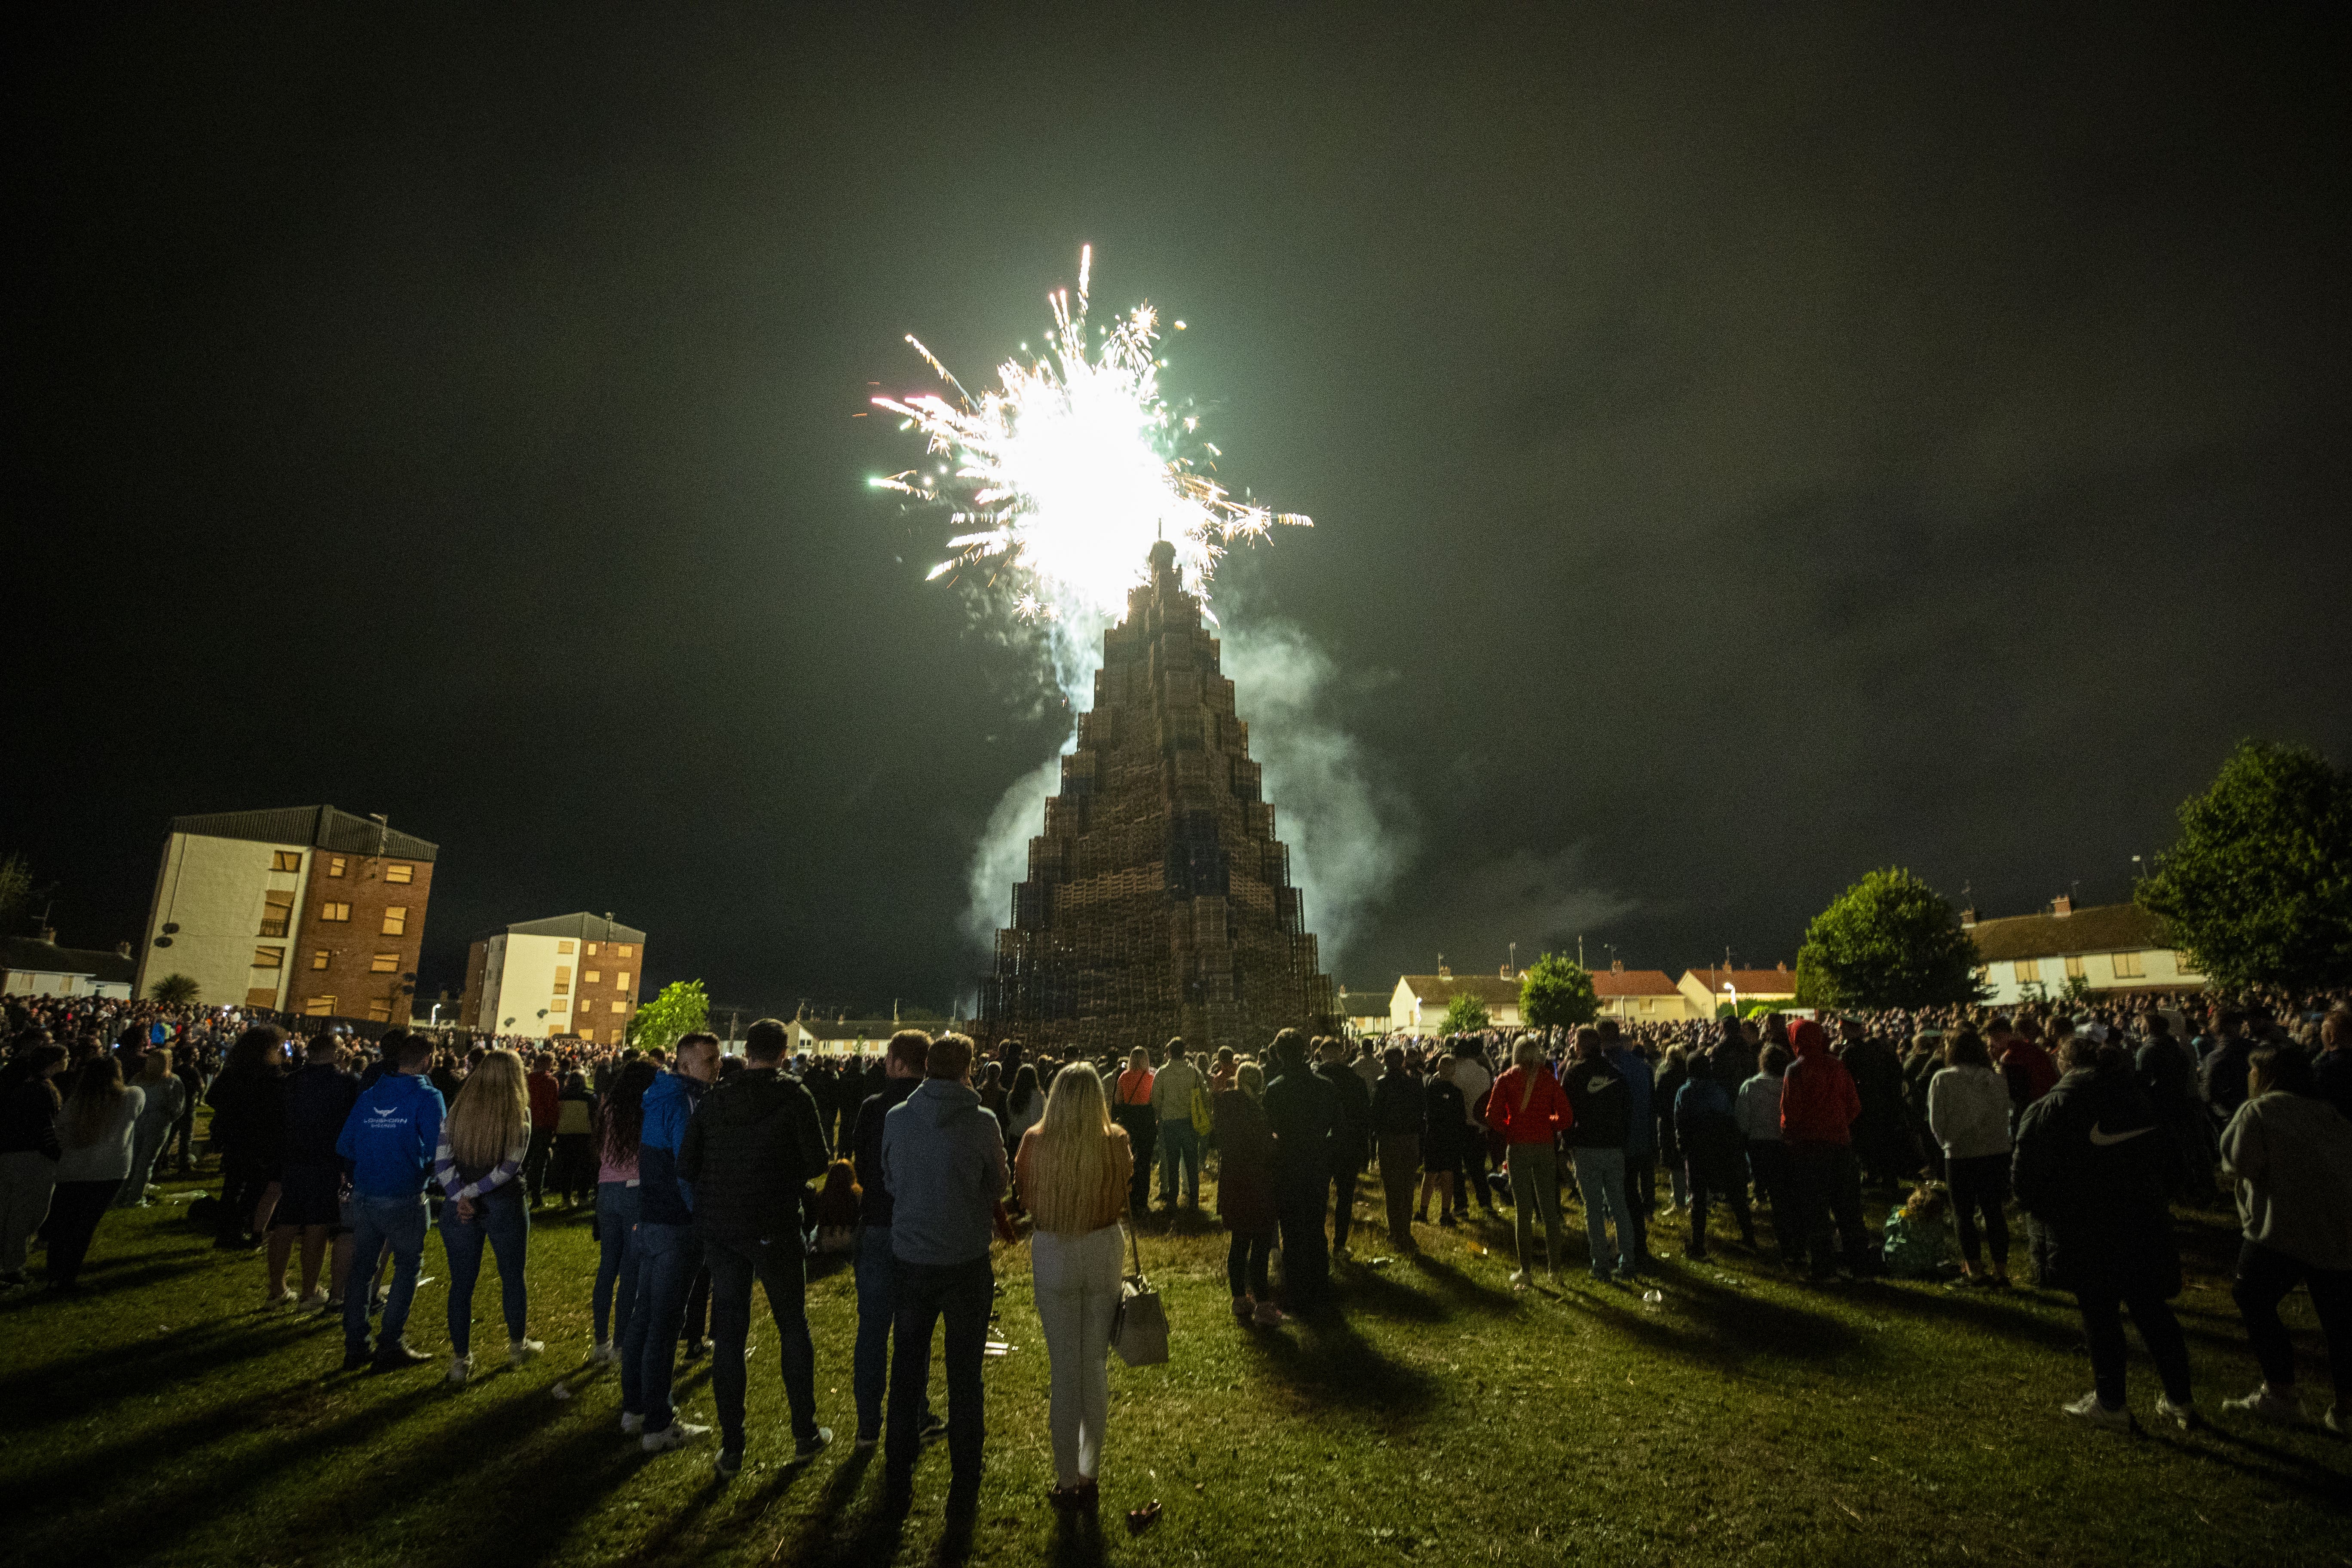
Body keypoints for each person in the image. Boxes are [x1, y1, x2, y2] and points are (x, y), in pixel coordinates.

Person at [2014, 1030, 2195, 1431]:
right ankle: (2181, 1399)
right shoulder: (2138, 1100)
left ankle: (2111, 1403)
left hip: (2086, 1231)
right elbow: (2175, 1162)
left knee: (2101, 1316)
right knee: (2153, 1311)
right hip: (2143, 1224)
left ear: (2065, 1064)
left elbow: (2025, 1181)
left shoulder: (2051, 1108)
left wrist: (2054, 1213)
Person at [678, 1017, 833, 1478]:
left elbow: (687, 1164)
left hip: (723, 1227)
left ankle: (732, 1446)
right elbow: (817, 1160)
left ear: (746, 1051)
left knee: (729, 1331)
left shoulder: (714, 1099)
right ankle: (804, 1432)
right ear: (784, 1053)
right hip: (774, 1224)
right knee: (792, 1325)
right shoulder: (793, 1096)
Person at [879, 1033, 1007, 1518]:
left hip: (912, 1258)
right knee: (965, 1373)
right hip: (966, 1261)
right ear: (967, 1070)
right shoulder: (982, 1123)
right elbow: (997, 1183)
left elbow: (890, 1180)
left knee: (907, 1366)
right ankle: (966, 1472)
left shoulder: (898, 1118)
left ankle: (899, 1467)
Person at [1016, 1062, 1133, 1510]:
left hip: (1055, 1248)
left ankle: (1066, 1478)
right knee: (1094, 1365)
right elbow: (1124, 1190)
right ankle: (1089, 1470)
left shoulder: (1035, 1142)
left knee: (1064, 1369)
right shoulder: (1116, 1142)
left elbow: (1025, 1197)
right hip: (1102, 1247)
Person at [2216, 1046, 2352, 1433]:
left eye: (2252, 1072)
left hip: (2284, 1226)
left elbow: (2240, 1162)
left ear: (2264, 1075)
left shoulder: (2260, 1111)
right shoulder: (2328, 1114)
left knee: (2252, 1296)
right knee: (2339, 1319)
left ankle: (2282, 1393)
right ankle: (2346, 1408)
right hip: (2338, 1225)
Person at [849, 1030, 946, 1451]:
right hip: (917, 1230)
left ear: (900, 1064)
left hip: (876, 1225)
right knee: (914, 1331)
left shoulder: (874, 1109)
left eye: (889, 1057)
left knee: (872, 1330)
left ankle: (868, 1427)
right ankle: (915, 1415)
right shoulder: (933, 1109)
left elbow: (860, 1162)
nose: (884, 1063)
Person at [622, 1032, 718, 1448]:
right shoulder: (683, 1103)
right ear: (684, 1065)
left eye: (716, 1059)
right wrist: (704, 1214)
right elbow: (687, 1169)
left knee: (644, 1318)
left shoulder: (660, 1097)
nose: (716, 1067)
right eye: (709, 1061)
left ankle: (635, 1408)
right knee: (663, 1324)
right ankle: (658, 1425)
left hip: (652, 1220)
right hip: (677, 1226)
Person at [336, 1029, 445, 1372]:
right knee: (407, 1267)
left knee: (362, 1269)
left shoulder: (370, 1095)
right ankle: (390, 1344)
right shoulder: (428, 1097)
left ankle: (355, 1345)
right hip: (404, 1193)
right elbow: (439, 1147)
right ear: (427, 1059)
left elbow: (346, 1145)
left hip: (366, 1193)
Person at [432, 1048, 541, 1384]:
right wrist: (473, 1194)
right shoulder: (518, 1113)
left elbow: (441, 1161)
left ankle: (461, 1359)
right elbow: (510, 1167)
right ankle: (516, 1345)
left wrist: (459, 1195)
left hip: (459, 1206)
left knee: (461, 1285)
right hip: (503, 1203)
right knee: (513, 1276)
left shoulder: (458, 1110)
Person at [269, 1033, 360, 1308]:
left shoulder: (290, 1081)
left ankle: (276, 1289)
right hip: (326, 1161)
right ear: (333, 1052)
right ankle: (309, 1291)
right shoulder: (346, 1084)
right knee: (317, 1226)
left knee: (285, 1222)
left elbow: (279, 1121)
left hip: (292, 1158)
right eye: (341, 1047)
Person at [1780, 1019, 1872, 1280]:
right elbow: (1854, 1104)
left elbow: (1790, 1111)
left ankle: (1824, 1268)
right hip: (1840, 1146)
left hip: (1809, 1149)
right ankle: (1860, 1267)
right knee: (1849, 1209)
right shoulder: (1837, 1065)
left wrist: (1791, 1137)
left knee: (1816, 1210)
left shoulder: (1796, 1070)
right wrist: (1839, 1124)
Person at [45, 1055, 144, 1288]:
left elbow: (60, 1131)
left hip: (73, 1169)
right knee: (84, 1226)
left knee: (64, 1223)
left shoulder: (77, 1101)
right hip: (109, 1171)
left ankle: (54, 1275)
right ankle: (67, 1277)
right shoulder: (132, 1096)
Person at [1927, 1029, 2014, 1287]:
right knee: (1994, 1212)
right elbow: (2004, 1113)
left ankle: (1975, 1271)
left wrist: (1948, 1144)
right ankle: (2001, 1271)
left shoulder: (1943, 1079)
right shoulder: (1996, 1078)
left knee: (1963, 1214)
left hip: (1962, 1153)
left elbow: (1936, 1122)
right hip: (1996, 1152)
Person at [1486, 1034, 1570, 1286]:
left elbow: (1491, 1116)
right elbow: (1565, 1117)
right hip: (1544, 1146)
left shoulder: (1506, 1079)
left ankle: (1526, 1272)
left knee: (1523, 1212)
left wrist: (1510, 1128)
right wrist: (1547, 1123)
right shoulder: (1548, 1079)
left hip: (1519, 1147)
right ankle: (1554, 1271)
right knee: (1549, 1210)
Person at [1264, 1029, 1338, 1313]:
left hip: (1288, 1163)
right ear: (1306, 1050)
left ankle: (1296, 1288)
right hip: (1317, 1162)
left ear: (1280, 1054)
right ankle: (1320, 1284)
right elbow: (1336, 1125)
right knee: (1316, 1226)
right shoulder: (1325, 1086)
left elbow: (1269, 1129)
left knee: (1292, 1230)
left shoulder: (1275, 1088)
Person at [1562, 1027, 1644, 1280]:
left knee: (1594, 1209)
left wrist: (1569, 1143)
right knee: (1620, 1204)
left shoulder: (1574, 1074)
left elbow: (1566, 1115)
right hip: (1613, 1148)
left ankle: (1600, 1265)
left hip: (1587, 1149)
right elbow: (1627, 1110)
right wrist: (1620, 1139)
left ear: (1581, 1046)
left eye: (1576, 1042)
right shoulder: (1616, 1074)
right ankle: (1628, 1261)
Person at [591, 1059, 656, 1362]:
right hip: (634, 1191)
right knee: (630, 1270)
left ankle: (600, 1342)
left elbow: (601, 1152)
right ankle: (621, 1344)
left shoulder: (608, 1110)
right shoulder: (644, 1114)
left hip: (607, 1191)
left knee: (607, 1267)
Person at [206, 1026, 287, 1249]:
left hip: (235, 1136)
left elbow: (213, 1097)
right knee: (253, 1187)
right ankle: (235, 1231)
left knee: (233, 1185)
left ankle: (225, 1233)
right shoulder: (271, 1076)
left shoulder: (235, 1070)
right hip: (259, 1139)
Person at [1215, 1060, 1280, 1322]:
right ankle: (1264, 1304)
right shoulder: (1254, 1110)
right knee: (1261, 1242)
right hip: (1257, 1181)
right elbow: (1262, 1146)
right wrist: (1276, 1141)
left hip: (1233, 1180)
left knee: (1239, 1242)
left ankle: (1239, 1299)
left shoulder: (1224, 1104)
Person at [0, 1043, 67, 1288]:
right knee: (27, 1216)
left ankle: (7, 1264)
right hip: (33, 1159)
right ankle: (13, 1268)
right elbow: (45, 1129)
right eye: (65, 1057)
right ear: (54, 1063)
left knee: (7, 1213)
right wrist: (56, 1155)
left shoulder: (17, 1087)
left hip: (9, 1155)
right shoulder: (42, 1091)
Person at [1674, 1056, 1752, 1259]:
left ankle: (1698, 1245)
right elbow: (1729, 1118)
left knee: (1698, 1198)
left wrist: (1684, 1147)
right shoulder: (1718, 1090)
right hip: (1721, 1148)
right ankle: (1749, 1236)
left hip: (1697, 1150)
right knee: (1735, 1194)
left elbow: (1680, 1121)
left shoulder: (1685, 1092)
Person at [1315, 1037, 1372, 1258]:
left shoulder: (1314, 1080)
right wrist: (1363, 1149)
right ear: (1341, 1054)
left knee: (1319, 1196)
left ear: (1321, 1055)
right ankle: (1339, 1245)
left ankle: (1319, 1243)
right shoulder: (1355, 1080)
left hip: (1320, 1146)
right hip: (1348, 1144)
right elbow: (1363, 1117)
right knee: (1345, 1196)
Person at [1736, 1044, 1792, 1256]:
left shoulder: (1750, 1086)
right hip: (1783, 1143)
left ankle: (1782, 1240)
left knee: (1769, 1190)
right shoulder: (1788, 1085)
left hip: (1759, 1145)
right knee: (1782, 1194)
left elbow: (1742, 1121)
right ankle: (1788, 1240)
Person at [1369, 1046, 1425, 1252]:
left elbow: (1375, 1114)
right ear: (1402, 1061)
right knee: (1407, 1187)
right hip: (1410, 1139)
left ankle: (1395, 1231)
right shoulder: (1414, 1083)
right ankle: (1406, 1230)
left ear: (1385, 1062)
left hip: (1389, 1141)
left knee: (1392, 1188)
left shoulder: (1382, 1084)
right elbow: (1421, 1113)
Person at [118, 1047, 185, 1207]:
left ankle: (122, 1195)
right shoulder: (172, 1082)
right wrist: (166, 1118)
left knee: (133, 1160)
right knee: (145, 1161)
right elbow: (177, 1108)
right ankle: (135, 1197)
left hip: (138, 1123)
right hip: (157, 1125)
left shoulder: (138, 1079)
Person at [1605, 1020, 1659, 1219]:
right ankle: (1648, 1210)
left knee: (1626, 1180)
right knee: (1645, 1174)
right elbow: (1652, 1100)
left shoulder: (1613, 1067)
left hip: (1625, 1133)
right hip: (1643, 1129)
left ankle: (1621, 1214)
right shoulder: (1643, 1067)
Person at [1148, 1040, 1206, 1211]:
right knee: (1191, 1162)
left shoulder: (1163, 1073)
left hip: (1170, 1122)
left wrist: (1161, 1113)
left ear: (1170, 1052)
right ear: (1184, 1052)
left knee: (1172, 1162)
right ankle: (1194, 1199)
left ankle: (1172, 1199)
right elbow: (1204, 1094)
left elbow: (1155, 1099)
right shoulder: (1194, 1072)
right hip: (1189, 1122)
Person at [1449, 1039, 1501, 1217]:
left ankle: (1461, 1206)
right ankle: (1486, 1202)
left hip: (1458, 1125)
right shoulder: (1483, 1073)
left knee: (1457, 1169)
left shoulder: (1454, 1072)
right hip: (1478, 1126)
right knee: (1477, 1168)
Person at [1418, 1056, 1466, 1225]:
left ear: (1438, 1066)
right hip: (1450, 1137)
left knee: (1430, 1173)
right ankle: (1445, 1213)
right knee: (1448, 1174)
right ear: (1454, 1071)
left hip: (1433, 1135)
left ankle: (1423, 1211)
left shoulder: (1429, 1088)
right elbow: (1461, 1119)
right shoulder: (1456, 1093)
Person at [1112, 1047, 1157, 1214]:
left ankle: (1130, 1198)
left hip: (1130, 1119)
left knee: (1130, 1160)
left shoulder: (1124, 1077)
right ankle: (1143, 1201)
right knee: (1145, 1161)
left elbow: (1118, 1101)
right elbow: (1154, 1099)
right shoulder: (1151, 1077)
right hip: (1146, 1119)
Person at [1879, 1185, 1958, 1280]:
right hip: (1926, 1266)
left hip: (1900, 1262)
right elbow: (1939, 1248)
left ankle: (1896, 1271)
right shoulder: (1936, 1226)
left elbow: (1888, 1231)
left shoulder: (1901, 1216)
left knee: (1881, 1249)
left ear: (1912, 1202)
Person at [524, 1051, 560, 1207]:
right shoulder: (551, 1081)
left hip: (527, 1124)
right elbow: (553, 1106)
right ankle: (537, 1197)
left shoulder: (527, 1080)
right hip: (543, 1126)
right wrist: (554, 1126)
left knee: (523, 1161)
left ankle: (520, 1194)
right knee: (539, 1163)